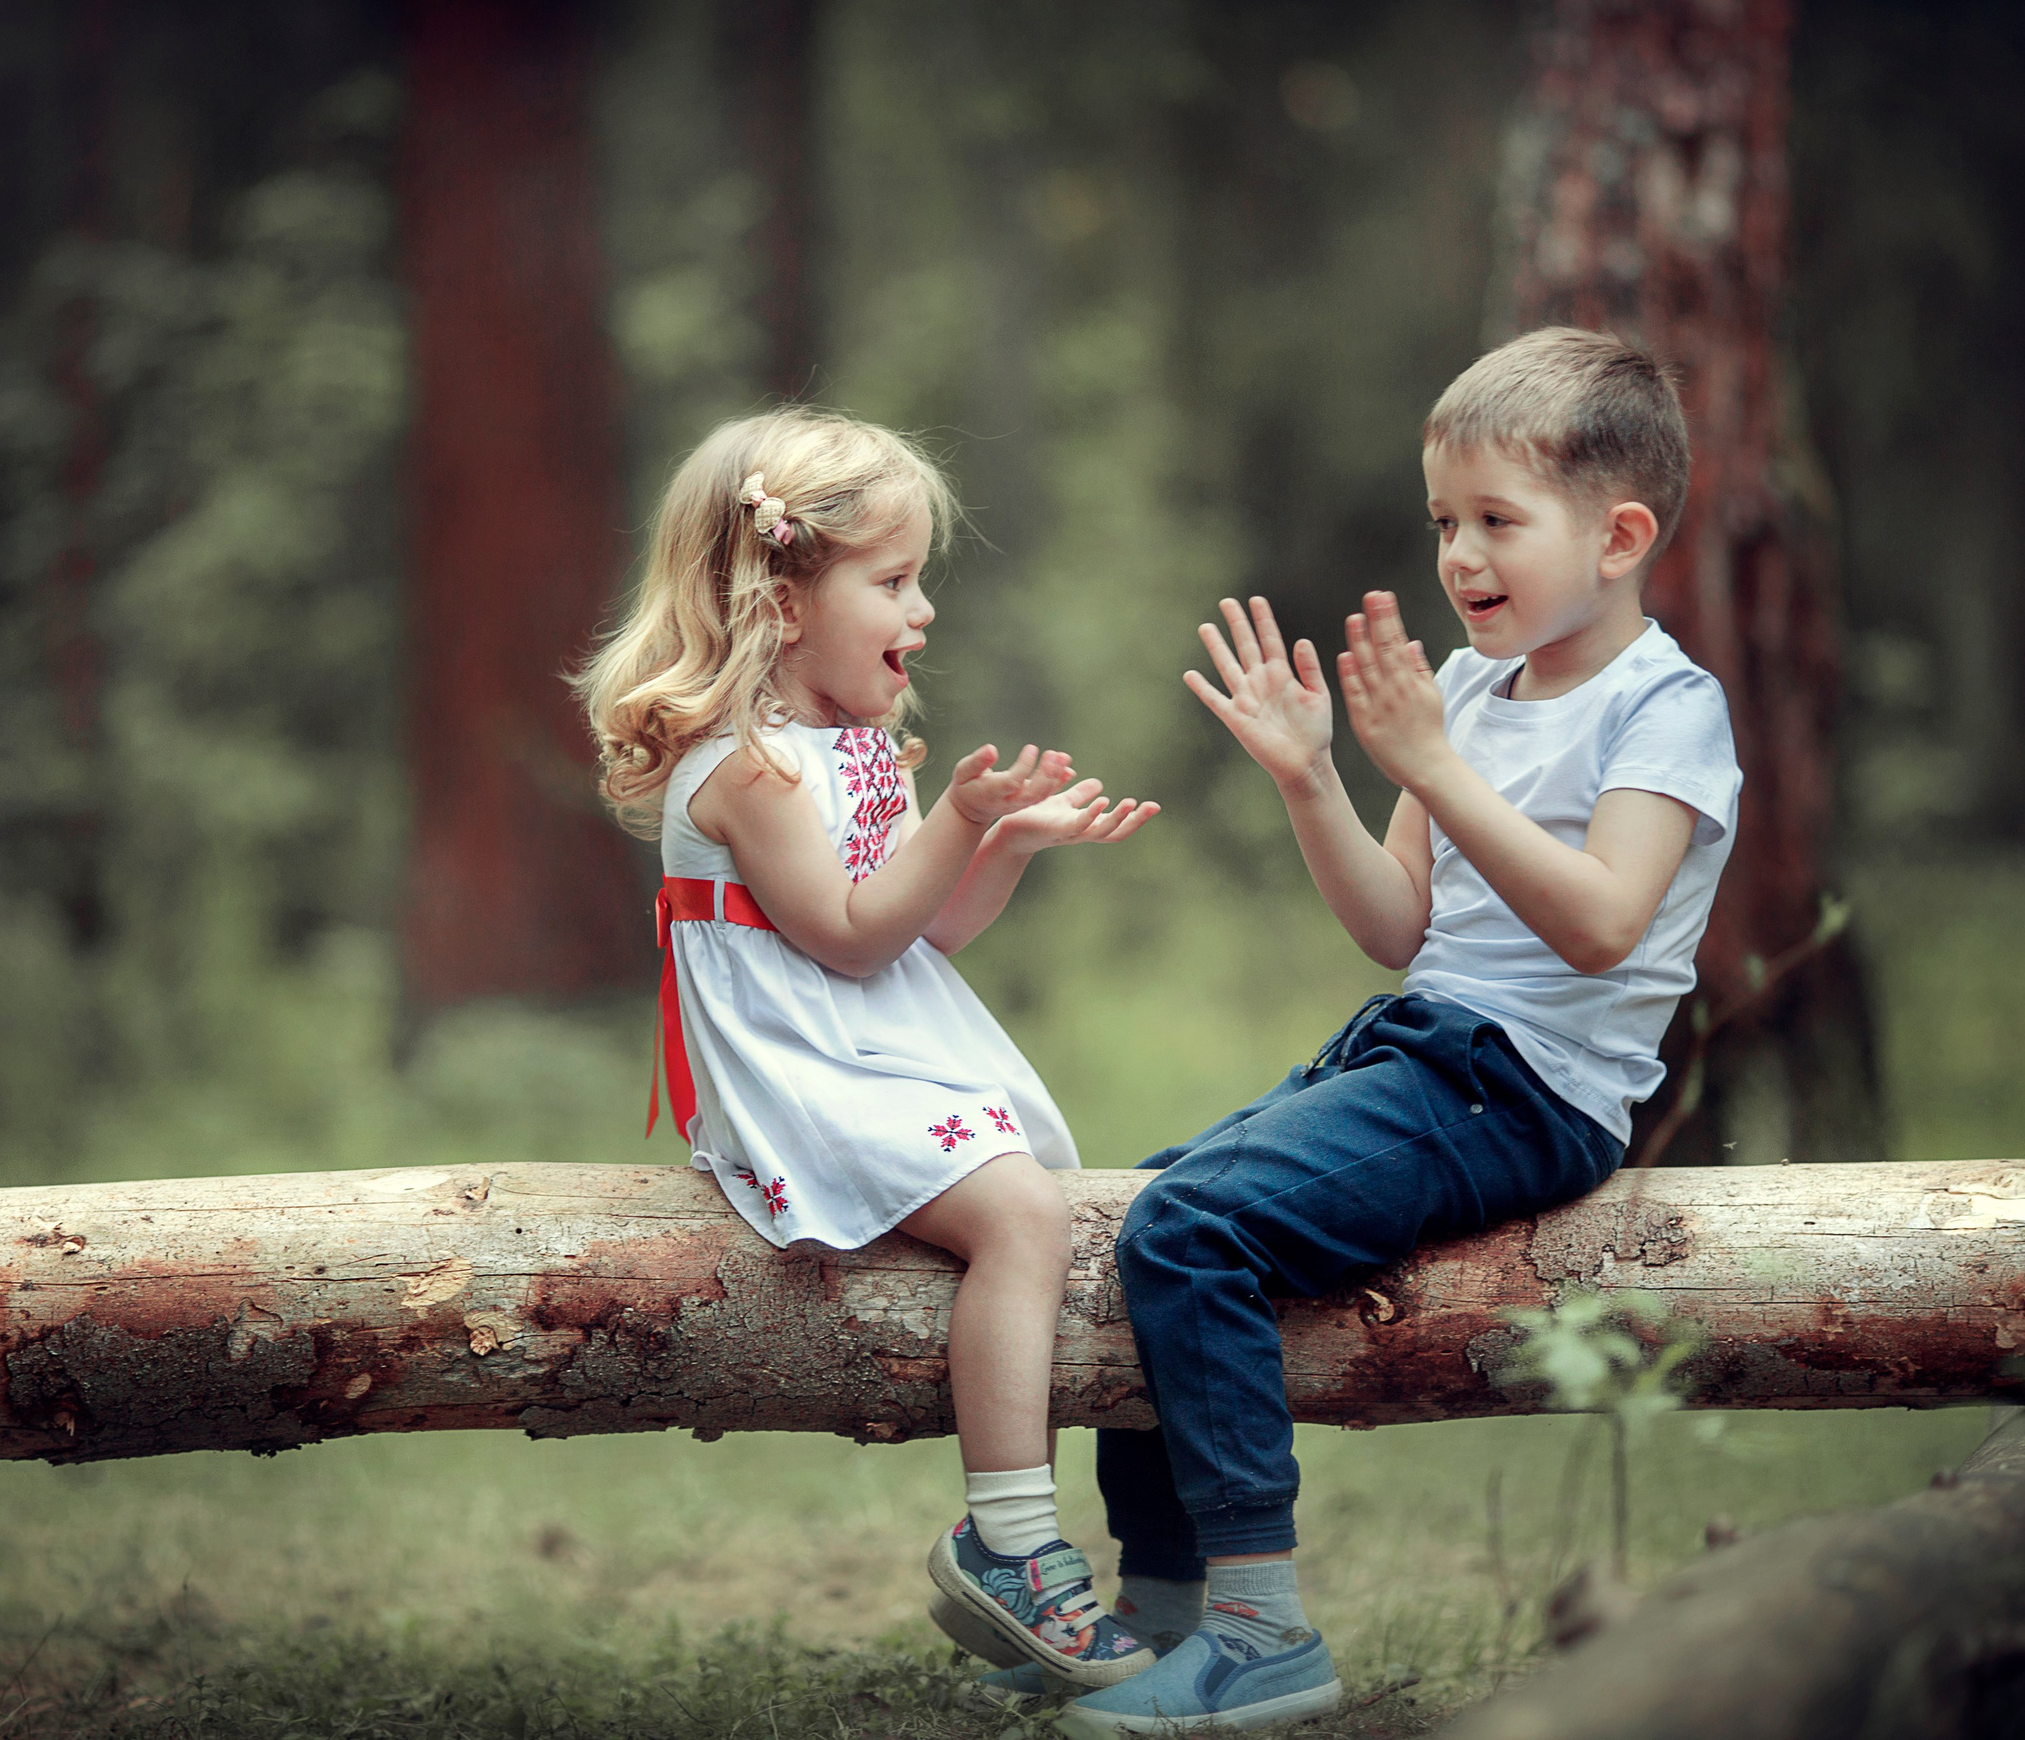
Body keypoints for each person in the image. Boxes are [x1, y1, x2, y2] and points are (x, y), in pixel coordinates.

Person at [1041, 327, 1743, 1736]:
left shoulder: (1668, 709)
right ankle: (1165, 1610)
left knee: (1191, 1231)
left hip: (1533, 1091)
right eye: (1443, 521)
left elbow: (1606, 924)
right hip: (1417, 1044)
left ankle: (1264, 1629)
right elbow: (1397, 924)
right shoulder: (1472, 688)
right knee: (1139, 1209)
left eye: (1497, 520)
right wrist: (1314, 780)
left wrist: (1424, 761)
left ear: (1618, 535)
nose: (1459, 555)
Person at [573, 407, 1164, 1694]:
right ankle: (1010, 1541)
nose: (924, 610)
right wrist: (957, 814)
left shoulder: (845, 750)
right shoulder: (746, 769)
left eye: (919, 579)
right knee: (1021, 1215)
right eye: (893, 581)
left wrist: (995, 844)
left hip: (861, 1041)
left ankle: (1041, 1542)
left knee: (1036, 1204)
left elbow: (924, 929)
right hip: (802, 1070)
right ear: (782, 603)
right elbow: (847, 938)